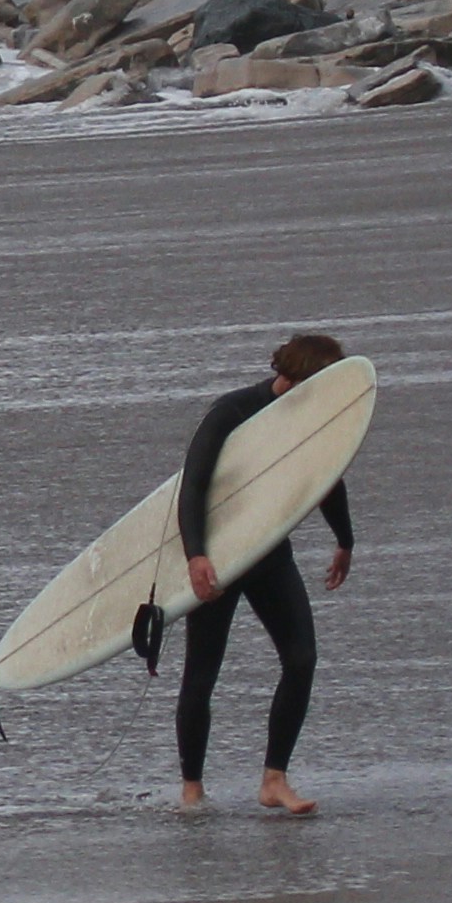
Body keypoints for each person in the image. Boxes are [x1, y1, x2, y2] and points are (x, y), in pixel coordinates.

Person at [175, 330, 358, 818]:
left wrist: (345, 540)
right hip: (219, 558)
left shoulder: (308, 420)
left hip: (270, 555)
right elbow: (190, 488)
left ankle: (274, 780)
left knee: (301, 660)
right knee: (202, 674)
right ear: (295, 376)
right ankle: (192, 789)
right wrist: (196, 556)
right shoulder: (231, 413)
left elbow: (327, 479)